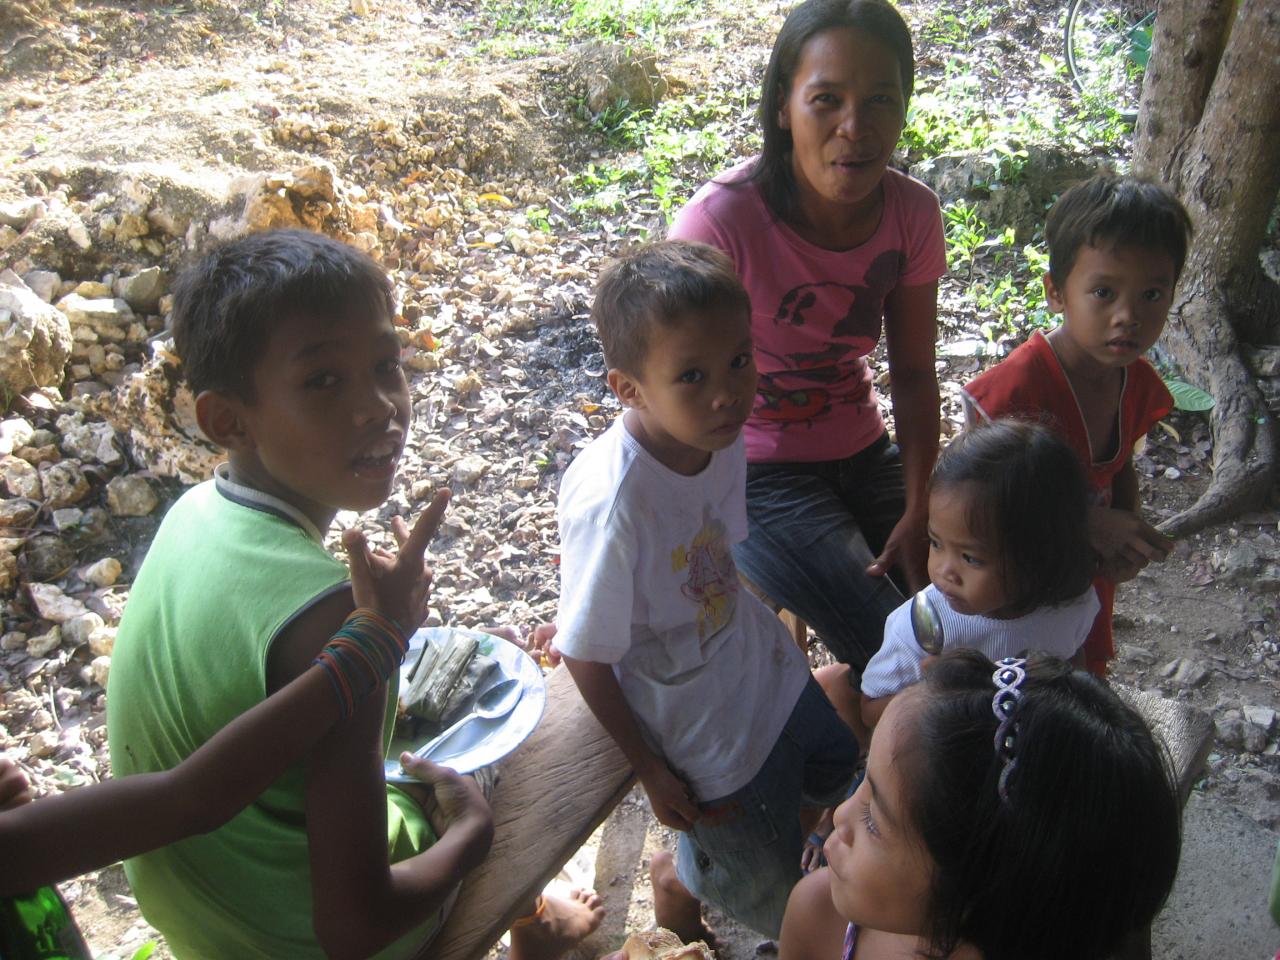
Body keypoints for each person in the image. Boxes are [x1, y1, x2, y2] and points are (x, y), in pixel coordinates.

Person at [105, 229, 602, 960]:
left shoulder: (194, 514)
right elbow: (355, 926)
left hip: (202, 921)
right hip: (304, 938)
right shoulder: (334, 621)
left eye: (385, 365)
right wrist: (471, 837)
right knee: (507, 727)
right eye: (323, 381)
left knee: (478, 664)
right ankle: (534, 922)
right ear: (226, 419)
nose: (379, 407)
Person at [555, 241, 859, 941]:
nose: (728, 393)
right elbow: (585, 652)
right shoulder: (620, 504)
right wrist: (650, 770)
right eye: (691, 375)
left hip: (760, 669)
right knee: (776, 894)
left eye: (739, 361)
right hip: (704, 737)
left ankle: (700, 863)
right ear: (629, 389)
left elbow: (720, 551)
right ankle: (685, 880)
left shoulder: (717, 434)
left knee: (834, 771)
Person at [668, 0, 945, 673]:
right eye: (826, 100)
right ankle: (861, 744)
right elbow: (669, 385)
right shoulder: (721, 224)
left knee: (969, 604)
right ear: (783, 108)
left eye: (882, 99)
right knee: (901, 647)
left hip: (864, 449)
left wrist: (920, 503)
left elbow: (911, 373)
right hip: (756, 471)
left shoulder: (911, 213)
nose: (856, 128)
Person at [1, 504, 448, 895]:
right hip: (293, 940)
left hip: (188, 913)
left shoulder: (195, 509)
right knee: (504, 768)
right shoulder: (326, 608)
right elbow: (193, 800)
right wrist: (375, 636)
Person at [779, 650, 1182, 960]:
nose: (841, 814)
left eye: (873, 820)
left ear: (982, 892)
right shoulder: (818, 918)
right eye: (864, 779)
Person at [963, 175, 1192, 676]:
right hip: (1011, 587)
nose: (1128, 316)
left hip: (1083, 576)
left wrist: (1127, 533)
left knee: (1077, 676)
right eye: (1104, 292)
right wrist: (1086, 524)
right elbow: (974, 502)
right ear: (1056, 293)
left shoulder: (1134, 380)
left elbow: (1120, 463)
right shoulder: (1016, 391)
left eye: (1153, 294)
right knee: (1013, 691)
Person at [857, 420, 1100, 727]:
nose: (944, 571)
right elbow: (870, 711)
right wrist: (938, 695)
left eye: (970, 558)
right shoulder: (926, 627)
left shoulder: (1070, 604)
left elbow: (1070, 654)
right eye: (935, 543)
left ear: (1040, 556)